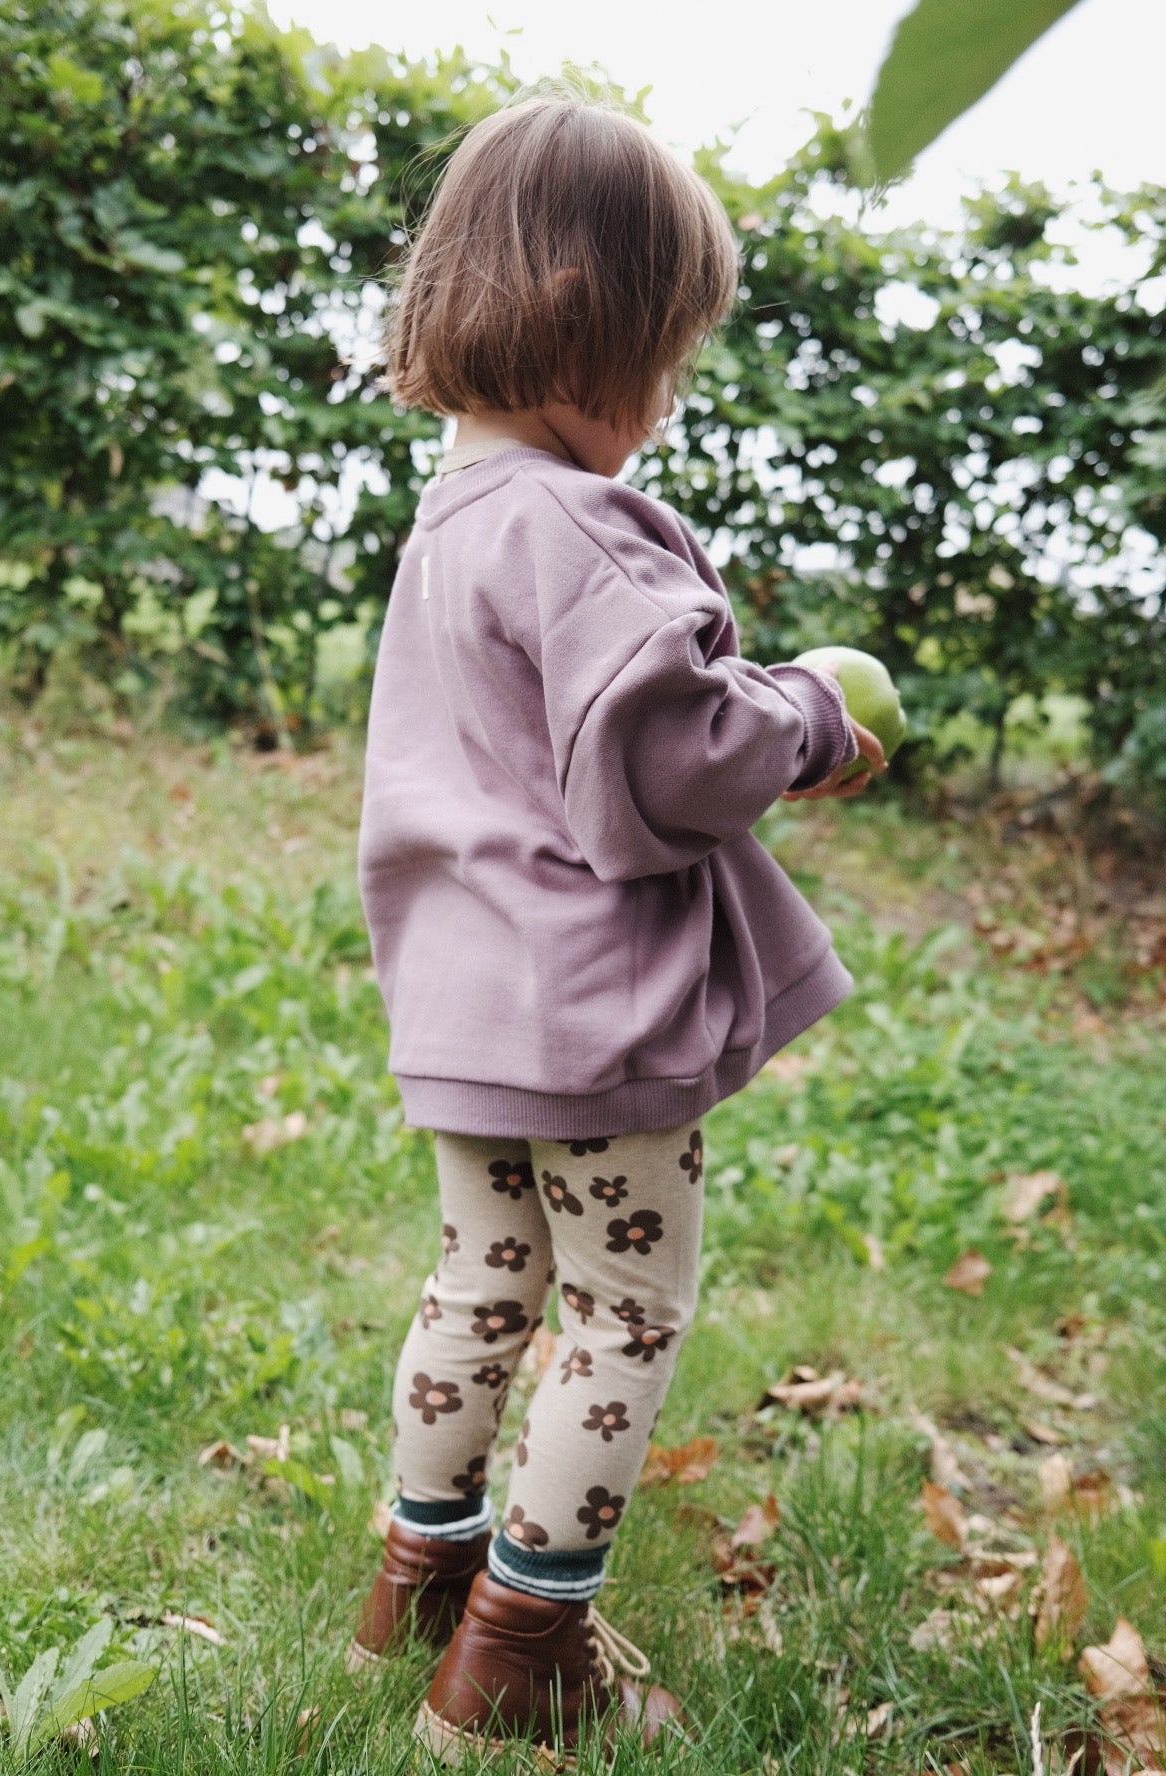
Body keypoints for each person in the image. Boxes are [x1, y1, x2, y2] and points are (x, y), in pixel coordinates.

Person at [348, 88, 886, 1764]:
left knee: (483, 1282)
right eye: (670, 357)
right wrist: (807, 712)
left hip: (461, 1005)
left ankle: (413, 1588)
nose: (665, 403)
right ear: (594, 333)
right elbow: (670, 756)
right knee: (621, 1310)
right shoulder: (581, 528)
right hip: (596, 1018)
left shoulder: (446, 530)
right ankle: (524, 1648)